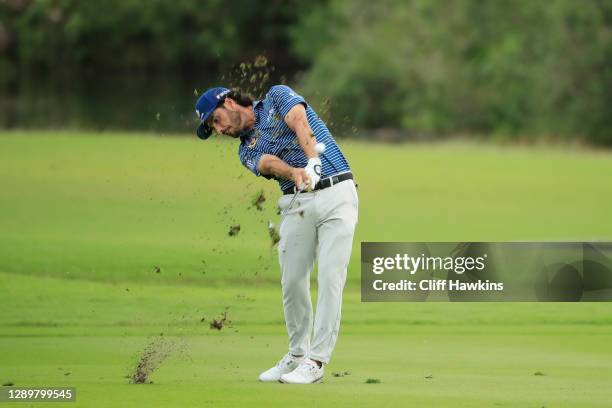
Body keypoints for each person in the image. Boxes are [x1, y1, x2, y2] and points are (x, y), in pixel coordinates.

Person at [195, 85, 358, 384]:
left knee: (331, 277)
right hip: (298, 201)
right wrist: (296, 173)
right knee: (293, 279)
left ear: (229, 102)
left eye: (216, 120)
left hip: (337, 191)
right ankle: (297, 355)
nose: (218, 130)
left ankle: (316, 362)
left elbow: (299, 121)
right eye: (212, 127)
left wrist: (313, 161)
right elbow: (268, 163)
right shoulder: (246, 150)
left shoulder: (276, 97)